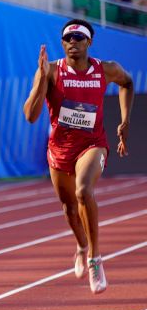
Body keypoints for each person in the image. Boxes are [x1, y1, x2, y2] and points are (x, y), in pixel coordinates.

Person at [22, 20, 134, 295]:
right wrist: (40, 81)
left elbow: (127, 83)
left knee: (84, 191)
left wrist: (125, 120)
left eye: (79, 37)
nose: (73, 41)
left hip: (93, 144)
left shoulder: (105, 69)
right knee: (69, 209)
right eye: (68, 37)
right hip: (59, 150)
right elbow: (30, 116)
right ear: (63, 43)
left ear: (89, 42)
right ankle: (82, 246)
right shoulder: (50, 71)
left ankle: (96, 258)